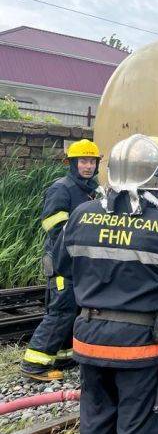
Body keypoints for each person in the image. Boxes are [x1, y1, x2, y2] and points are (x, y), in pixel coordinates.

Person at [54, 134, 158, 434]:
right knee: (137, 430)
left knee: (95, 426)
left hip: (90, 341)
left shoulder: (82, 215)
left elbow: (61, 265)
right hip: (142, 347)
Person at [20, 139, 101, 381]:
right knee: (61, 312)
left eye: (92, 161)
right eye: (83, 161)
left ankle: (64, 357)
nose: (88, 166)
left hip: (78, 262)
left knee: (73, 310)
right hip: (62, 262)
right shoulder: (62, 188)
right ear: (73, 163)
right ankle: (33, 364)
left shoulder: (91, 190)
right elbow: (53, 226)